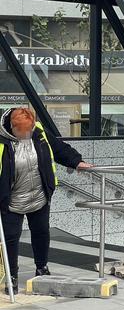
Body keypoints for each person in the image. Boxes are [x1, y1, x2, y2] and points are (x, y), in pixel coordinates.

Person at [0, 108, 93, 294]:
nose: (27, 135)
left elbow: (58, 149)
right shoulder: (1, 141)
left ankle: (41, 268)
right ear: (12, 127)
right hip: (12, 199)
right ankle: (12, 276)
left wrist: (76, 161)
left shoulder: (39, 132)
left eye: (30, 130)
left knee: (41, 233)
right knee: (10, 237)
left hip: (39, 195)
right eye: (23, 132)